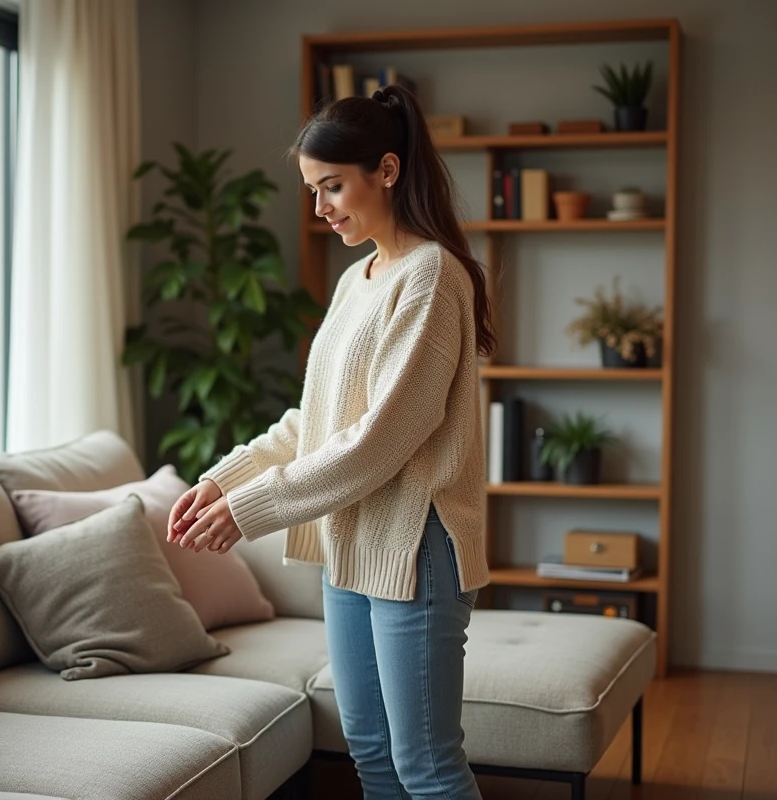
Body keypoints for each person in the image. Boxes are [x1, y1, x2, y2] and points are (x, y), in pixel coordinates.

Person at [166, 84, 496, 800]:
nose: (321, 209)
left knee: (428, 768)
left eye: (333, 187)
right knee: (372, 757)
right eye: (314, 191)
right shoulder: (358, 279)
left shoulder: (432, 276)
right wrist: (228, 476)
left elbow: (378, 439)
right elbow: (317, 417)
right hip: (349, 542)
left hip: (417, 545)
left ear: (387, 169)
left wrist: (252, 509)